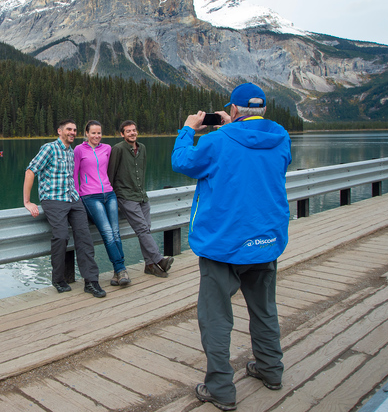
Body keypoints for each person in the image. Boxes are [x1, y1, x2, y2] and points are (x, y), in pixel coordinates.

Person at [171, 83, 291, 411]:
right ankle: (271, 370)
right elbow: (254, 154)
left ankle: (221, 388)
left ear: (234, 110)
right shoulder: (281, 138)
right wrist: (234, 126)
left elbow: (181, 161)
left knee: (215, 318)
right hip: (266, 240)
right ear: (261, 110)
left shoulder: (216, 141)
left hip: (223, 244)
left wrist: (187, 129)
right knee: (264, 310)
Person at [24, 119, 106, 298]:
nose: (72, 132)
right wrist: (27, 202)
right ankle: (58, 279)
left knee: (84, 237)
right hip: (53, 200)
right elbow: (30, 171)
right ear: (59, 131)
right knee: (61, 236)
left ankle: (91, 282)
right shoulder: (49, 148)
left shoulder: (71, 151)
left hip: (73, 199)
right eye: (69, 129)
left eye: (75, 130)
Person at [107, 120, 174, 277]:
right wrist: (113, 197)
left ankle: (149, 265)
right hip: (126, 196)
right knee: (142, 229)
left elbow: (142, 172)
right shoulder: (117, 149)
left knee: (146, 229)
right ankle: (159, 259)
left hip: (142, 196)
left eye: (134, 130)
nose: (132, 133)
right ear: (122, 134)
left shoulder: (142, 148)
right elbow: (111, 174)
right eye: (128, 131)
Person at [74, 120, 130, 287]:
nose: (97, 136)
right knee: (107, 232)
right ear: (86, 133)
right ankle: (121, 269)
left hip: (109, 194)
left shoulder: (107, 149)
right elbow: (74, 174)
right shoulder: (79, 150)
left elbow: (111, 171)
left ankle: (117, 273)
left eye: (99, 133)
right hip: (90, 196)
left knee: (115, 232)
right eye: (93, 133)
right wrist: (78, 196)